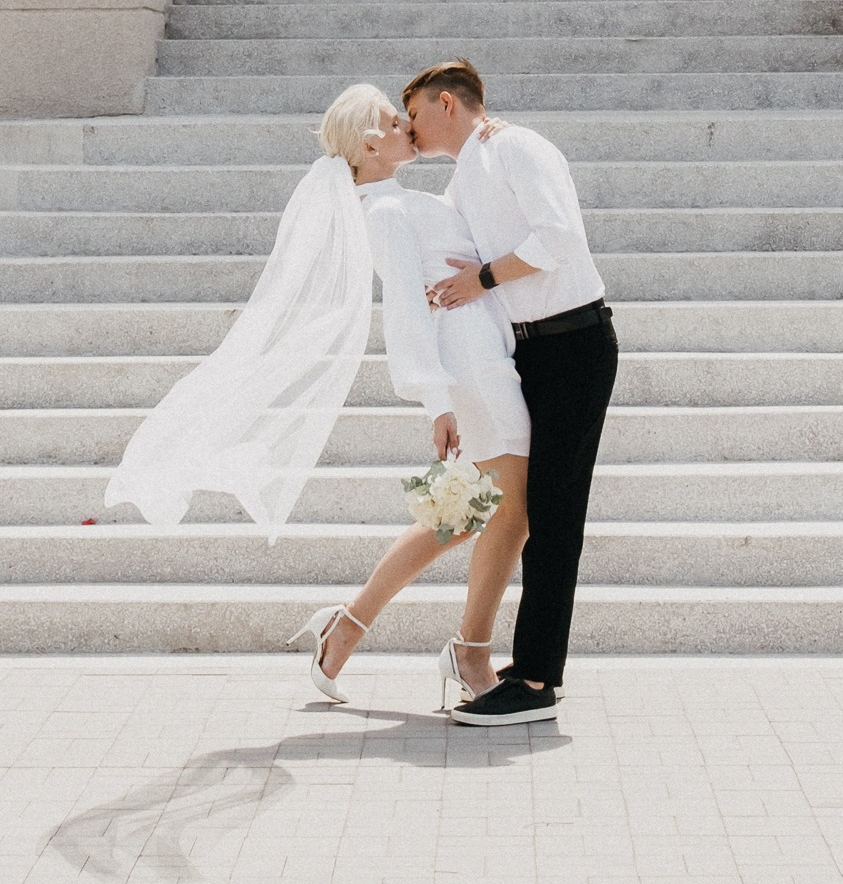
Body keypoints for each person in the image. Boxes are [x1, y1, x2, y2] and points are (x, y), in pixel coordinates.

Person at [102, 82, 528, 715]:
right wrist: (435, 398)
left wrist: (485, 134)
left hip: (489, 358)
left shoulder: (400, 201)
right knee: (505, 509)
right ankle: (466, 650)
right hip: (470, 372)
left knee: (471, 511)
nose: (407, 125)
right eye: (393, 119)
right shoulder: (383, 214)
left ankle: (354, 626)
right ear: (369, 142)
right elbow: (407, 314)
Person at [404, 58, 616, 731]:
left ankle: (532, 679)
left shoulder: (513, 146)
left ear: (445, 104)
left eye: (412, 115)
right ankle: (495, 662)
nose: (409, 130)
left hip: (573, 344)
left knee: (553, 518)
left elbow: (556, 239)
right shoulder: (468, 171)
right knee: (519, 508)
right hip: (527, 350)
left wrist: (483, 279)